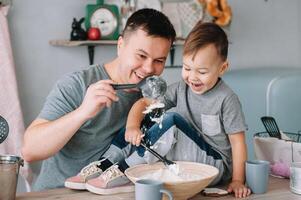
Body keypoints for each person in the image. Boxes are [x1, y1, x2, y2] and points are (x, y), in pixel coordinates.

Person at [76, 22, 251, 198]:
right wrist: (132, 126)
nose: (192, 77)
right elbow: (143, 104)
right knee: (148, 116)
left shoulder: (226, 99)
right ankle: (105, 164)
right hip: (186, 158)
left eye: (202, 72)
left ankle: (126, 171)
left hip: (214, 164)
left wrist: (237, 180)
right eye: (187, 68)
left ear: (222, 68)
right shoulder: (180, 88)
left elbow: (238, 143)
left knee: (171, 119)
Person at [21, 8, 176, 191]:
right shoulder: (78, 84)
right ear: (120, 45)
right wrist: (83, 112)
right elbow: (29, 150)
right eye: (141, 56)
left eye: (159, 60)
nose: (149, 68)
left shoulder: (152, 95)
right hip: (57, 193)